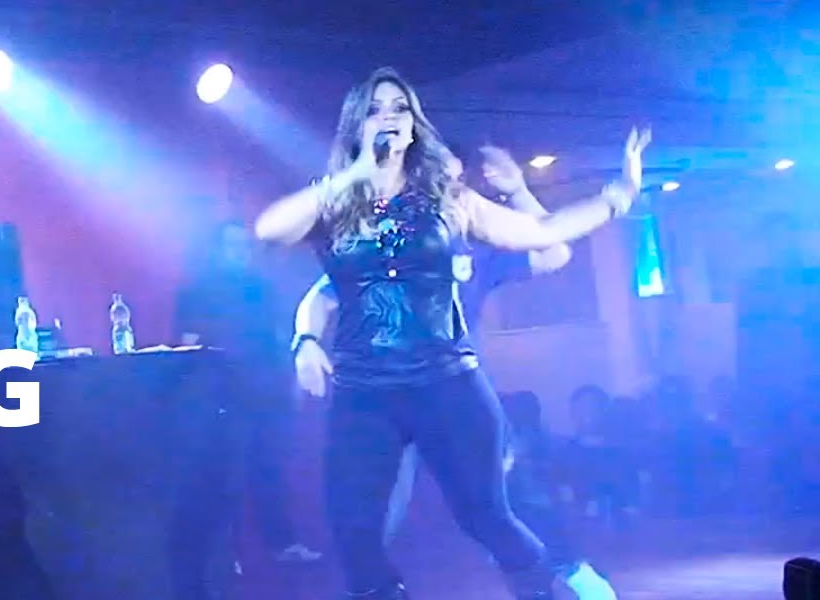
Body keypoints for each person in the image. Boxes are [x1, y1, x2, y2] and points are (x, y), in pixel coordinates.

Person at [254, 67, 649, 600]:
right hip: (364, 390)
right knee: (353, 530)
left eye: (399, 108)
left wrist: (619, 194)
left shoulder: (447, 200)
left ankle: (549, 589)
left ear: (414, 124)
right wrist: (354, 176)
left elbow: (543, 234)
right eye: (375, 110)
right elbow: (269, 230)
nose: (389, 117)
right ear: (355, 126)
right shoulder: (334, 204)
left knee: (486, 514)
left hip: (447, 382)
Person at [174, 221, 321, 567]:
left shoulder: (260, 289)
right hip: (221, 394)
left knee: (270, 469)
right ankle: (226, 554)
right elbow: (187, 347)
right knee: (223, 475)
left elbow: (279, 337)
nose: (238, 253)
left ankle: (282, 543)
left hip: (266, 389)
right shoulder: (198, 292)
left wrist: (291, 381)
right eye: (231, 246)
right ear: (217, 250)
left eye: (243, 246)